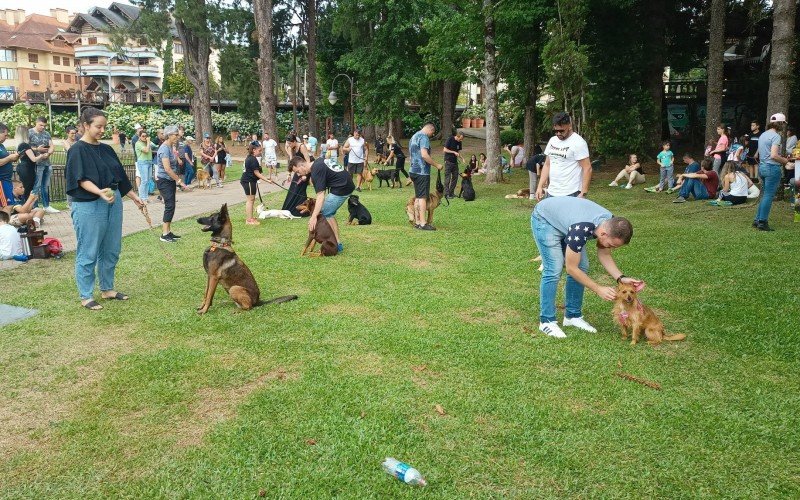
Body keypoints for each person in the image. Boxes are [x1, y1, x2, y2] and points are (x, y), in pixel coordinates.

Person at [65, 107, 145, 310]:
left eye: (104, 127)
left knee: (111, 249)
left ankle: (107, 289)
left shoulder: (107, 149)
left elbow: (120, 178)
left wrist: (135, 197)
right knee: (89, 250)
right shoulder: (77, 150)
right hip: (89, 205)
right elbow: (80, 179)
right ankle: (86, 295)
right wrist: (100, 193)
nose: (102, 130)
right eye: (98, 126)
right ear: (85, 125)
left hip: (113, 200)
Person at [531, 195, 638, 338]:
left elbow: (604, 254)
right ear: (603, 234)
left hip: (567, 221)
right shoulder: (580, 230)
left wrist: (621, 278)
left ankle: (572, 316)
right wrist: (598, 289)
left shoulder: (610, 223)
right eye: (612, 245)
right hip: (545, 219)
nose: (612, 248)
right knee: (554, 268)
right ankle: (547, 321)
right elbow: (570, 268)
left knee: (582, 266)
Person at [288, 154, 355, 252]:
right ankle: (335, 242)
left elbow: (321, 195)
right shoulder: (318, 162)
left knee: (325, 212)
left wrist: (314, 216)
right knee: (328, 212)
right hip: (345, 183)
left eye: (297, 171)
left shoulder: (316, 171)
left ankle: (337, 244)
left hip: (342, 188)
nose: (298, 174)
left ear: (302, 166)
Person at [536, 112, 592, 200]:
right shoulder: (552, 141)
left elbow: (587, 168)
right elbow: (547, 165)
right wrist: (540, 186)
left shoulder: (578, 142)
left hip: (571, 193)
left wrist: (583, 193)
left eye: (561, 131)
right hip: (552, 192)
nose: (558, 133)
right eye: (556, 131)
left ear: (569, 126)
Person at [753, 113, 790, 231]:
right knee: (768, 195)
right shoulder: (776, 136)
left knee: (764, 194)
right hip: (771, 168)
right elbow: (774, 155)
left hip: (762, 167)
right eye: (783, 123)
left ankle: (757, 219)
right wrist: (786, 161)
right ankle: (762, 222)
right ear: (780, 123)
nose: (784, 126)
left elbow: (760, 153)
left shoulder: (763, 135)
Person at [156, 125, 189, 242]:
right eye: (176, 135)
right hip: (164, 180)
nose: (178, 137)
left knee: (172, 205)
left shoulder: (170, 147)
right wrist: (179, 181)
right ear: (169, 135)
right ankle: (164, 235)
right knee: (169, 206)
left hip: (169, 181)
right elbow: (167, 169)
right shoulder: (164, 148)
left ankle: (168, 232)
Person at [408, 123, 443, 230]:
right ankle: (423, 223)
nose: (431, 136)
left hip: (413, 170)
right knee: (423, 197)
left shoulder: (414, 136)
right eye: (432, 134)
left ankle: (418, 222)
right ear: (430, 130)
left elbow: (411, 155)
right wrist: (437, 165)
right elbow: (424, 155)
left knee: (418, 197)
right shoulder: (424, 137)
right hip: (422, 172)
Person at [29, 116, 58, 213]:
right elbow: (25, 148)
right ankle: (35, 206)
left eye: (44, 126)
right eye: (41, 125)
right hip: (37, 163)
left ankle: (46, 206)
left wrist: (48, 153)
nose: (42, 127)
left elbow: (52, 146)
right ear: (36, 123)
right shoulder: (29, 133)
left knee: (45, 186)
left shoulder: (46, 134)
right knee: (36, 185)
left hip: (47, 162)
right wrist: (38, 149)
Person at [242, 141, 271, 225]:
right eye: (259, 150)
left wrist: (266, 178)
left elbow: (258, 172)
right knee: (250, 200)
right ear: (254, 150)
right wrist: (267, 180)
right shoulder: (252, 159)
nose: (260, 152)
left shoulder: (252, 158)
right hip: (248, 181)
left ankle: (250, 217)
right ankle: (249, 220)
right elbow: (256, 173)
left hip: (251, 181)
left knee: (251, 199)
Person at [14, 126, 44, 202]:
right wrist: (41, 155)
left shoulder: (19, 145)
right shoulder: (25, 145)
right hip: (27, 169)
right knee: (27, 189)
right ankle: (26, 206)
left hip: (23, 168)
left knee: (24, 188)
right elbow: (33, 159)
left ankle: (24, 205)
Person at [0, 122, 20, 207]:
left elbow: (6, 160)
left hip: (7, 181)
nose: (7, 137)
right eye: (5, 135)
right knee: (6, 206)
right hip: (1, 182)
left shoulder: (1, 146)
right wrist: (9, 158)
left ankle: (6, 220)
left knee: (9, 205)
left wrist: (15, 157)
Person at [443, 132, 463, 199]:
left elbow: (458, 152)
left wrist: (462, 158)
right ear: (457, 136)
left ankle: (451, 193)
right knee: (447, 178)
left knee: (455, 178)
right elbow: (445, 149)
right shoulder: (450, 139)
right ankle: (446, 194)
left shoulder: (459, 142)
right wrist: (453, 152)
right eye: (460, 139)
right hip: (448, 162)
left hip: (455, 163)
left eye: (462, 139)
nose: (461, 140)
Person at [134, 129, 153, 202]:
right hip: (142, 162)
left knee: (148, 180)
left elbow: (155, 146)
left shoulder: (147, 143)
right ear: (139, 136)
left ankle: (145, 197)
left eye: (146, 136)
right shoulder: (138, 143)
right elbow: (146, 150)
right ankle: (142, 198)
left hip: (149, 162)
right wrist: (148, 142)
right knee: (144, 180)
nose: (144, 137)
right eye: (143, 136)